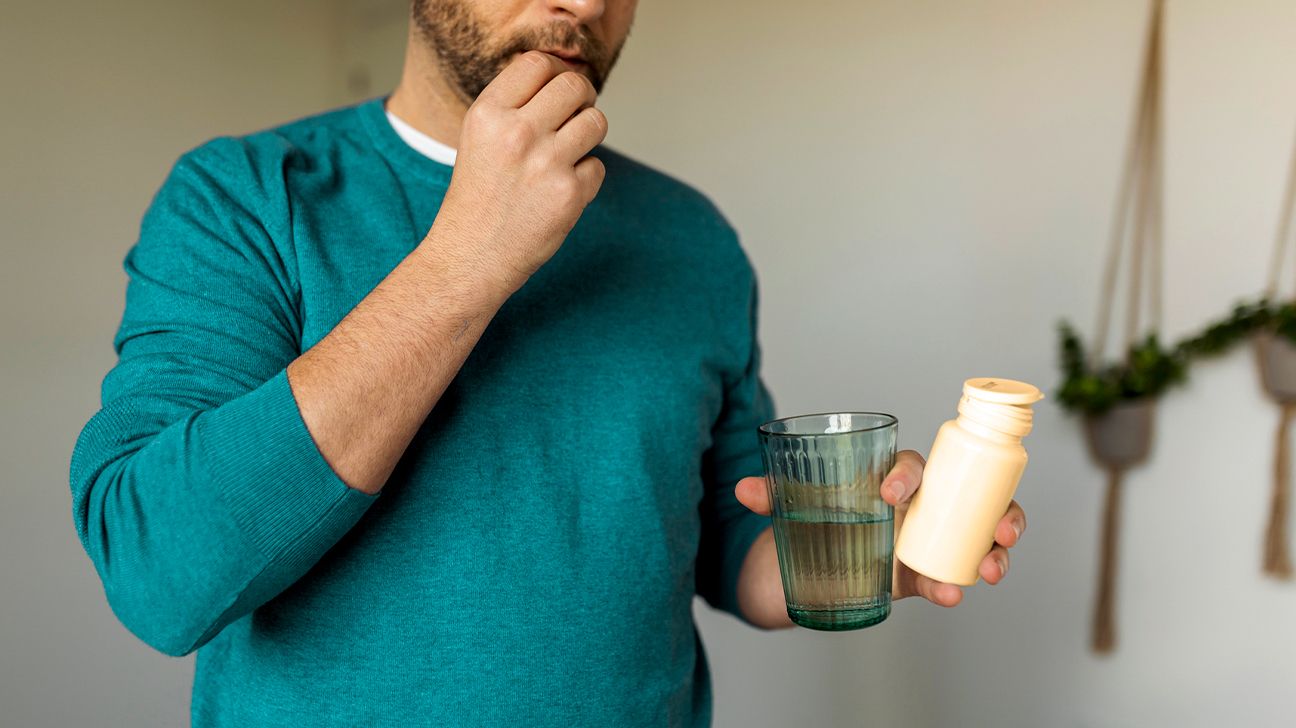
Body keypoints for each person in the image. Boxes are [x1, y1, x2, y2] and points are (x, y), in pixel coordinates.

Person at [69, 0, 1028, 724]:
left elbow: (725, 535)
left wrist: (875, 552)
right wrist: (464, 263)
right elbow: (161, 576)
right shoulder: (242, 199)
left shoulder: (692, 240)